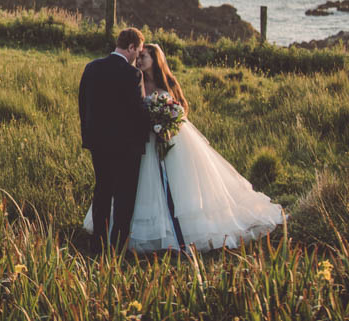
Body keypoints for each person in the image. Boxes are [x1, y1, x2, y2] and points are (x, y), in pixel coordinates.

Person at [85, 43, 286, 253]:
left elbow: (177, 113)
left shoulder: (165, 85)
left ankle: (171, 233)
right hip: (139, 144)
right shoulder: (133, 79)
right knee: (133, 189)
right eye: (140, 56)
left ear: (156, 60)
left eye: (145, 56)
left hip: (165, 141)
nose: (140, 60)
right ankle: (124, 235)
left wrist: (164, 124)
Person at [78, 27, 150, 253]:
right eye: (137, 52)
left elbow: (83, 104)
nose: (137, 58)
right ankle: (117, 247)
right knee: (123, 198)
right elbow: (138, 111)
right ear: (130, 48)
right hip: (126, 147)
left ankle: (97, 244)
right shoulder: (132, 75)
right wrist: (152, 128)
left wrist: (88, 136)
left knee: (102, 192)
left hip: (98, 144)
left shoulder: (91, 68)